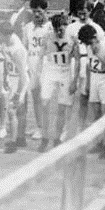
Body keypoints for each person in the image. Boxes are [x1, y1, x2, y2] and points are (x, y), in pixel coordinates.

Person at [77, 23, 105, 154]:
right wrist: (88, 83)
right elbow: (89, 65)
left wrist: (98, 55)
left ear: (95, 37)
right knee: (94, 114)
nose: (88, 45)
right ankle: (98, 143)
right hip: (94, 77)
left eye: (89, 42)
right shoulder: (89, 46)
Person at [38, 14, 76, 151]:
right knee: (45, 105)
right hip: (50, 71)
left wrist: (75, 80)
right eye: (56, 30)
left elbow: (77, 60)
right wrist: (38, 75)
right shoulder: (47, 37)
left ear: (66, 26)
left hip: (65, 72)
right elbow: (40, 56)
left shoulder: (72, 38)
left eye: (62, 29)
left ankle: (57, 138)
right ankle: (44, 138)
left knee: (62, 107)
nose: (59, 32)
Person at [0, 21, 29, 154]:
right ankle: (20, 138)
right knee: (18, 111)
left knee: (12, 111)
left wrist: (18, 92)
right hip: (11, 78)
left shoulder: (17, 50)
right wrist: (4, 77)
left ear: (6, 35)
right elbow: (5, 62)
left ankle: (13, 141)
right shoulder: (5, 44)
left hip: (19, 80)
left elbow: (23, 75)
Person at [22, 0, 52, 143]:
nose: (36, 14)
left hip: (46, 65)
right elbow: (24, 48)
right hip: (32, 64)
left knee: (46, 98)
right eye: (34, 11)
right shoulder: (27, 27)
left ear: (45, 11)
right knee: (35, 97)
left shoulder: (51, 27)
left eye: (39, 11)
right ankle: (40, 127)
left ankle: (48, 127)